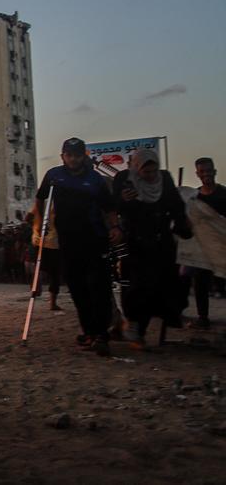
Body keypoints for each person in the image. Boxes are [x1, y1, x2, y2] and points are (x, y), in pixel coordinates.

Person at [36, 137, 121, 356]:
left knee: (98, 287)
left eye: (77, 155)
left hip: (95, 238)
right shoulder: (54, 176)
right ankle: (89, 331)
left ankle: (101, 334)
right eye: (69, 155)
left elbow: (109, 207)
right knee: (77, 288)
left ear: (84, 156)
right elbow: (40, 198)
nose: (73, 159)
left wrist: (114, 227)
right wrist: (40, 222)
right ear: (62, 156)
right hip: (68, 240)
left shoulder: (95, 179)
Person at [113, 149, 191, 347]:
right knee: (136, 286)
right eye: (146, 172)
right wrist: (123, 200)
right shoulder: (124, 179)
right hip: (135, 243)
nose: (150, 175)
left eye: (154, 171)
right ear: (136, 168)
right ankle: (134, 328)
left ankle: (149, 327)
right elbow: (113, 207)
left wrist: (183, 226)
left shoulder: (165, 179)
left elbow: (176, 206)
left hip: (161, 242)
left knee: (162, 285)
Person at [181, 157, 226, 328]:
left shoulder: (224, 194)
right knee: (197, 280)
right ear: (197, 174)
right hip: (201, 247)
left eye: (208, 170)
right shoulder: (194, 197)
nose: (206, 174)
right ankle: (202, 317)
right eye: (202, 171)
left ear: (214, 171)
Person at [25, 202, 62, 310]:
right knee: (55, 273)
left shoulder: (40, 203)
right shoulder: (58, 203)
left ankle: (35, 289)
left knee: (38, 267)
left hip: (38, 241)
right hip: (53, 242)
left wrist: (36, 226)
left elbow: (27, 218)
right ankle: (52, 303)